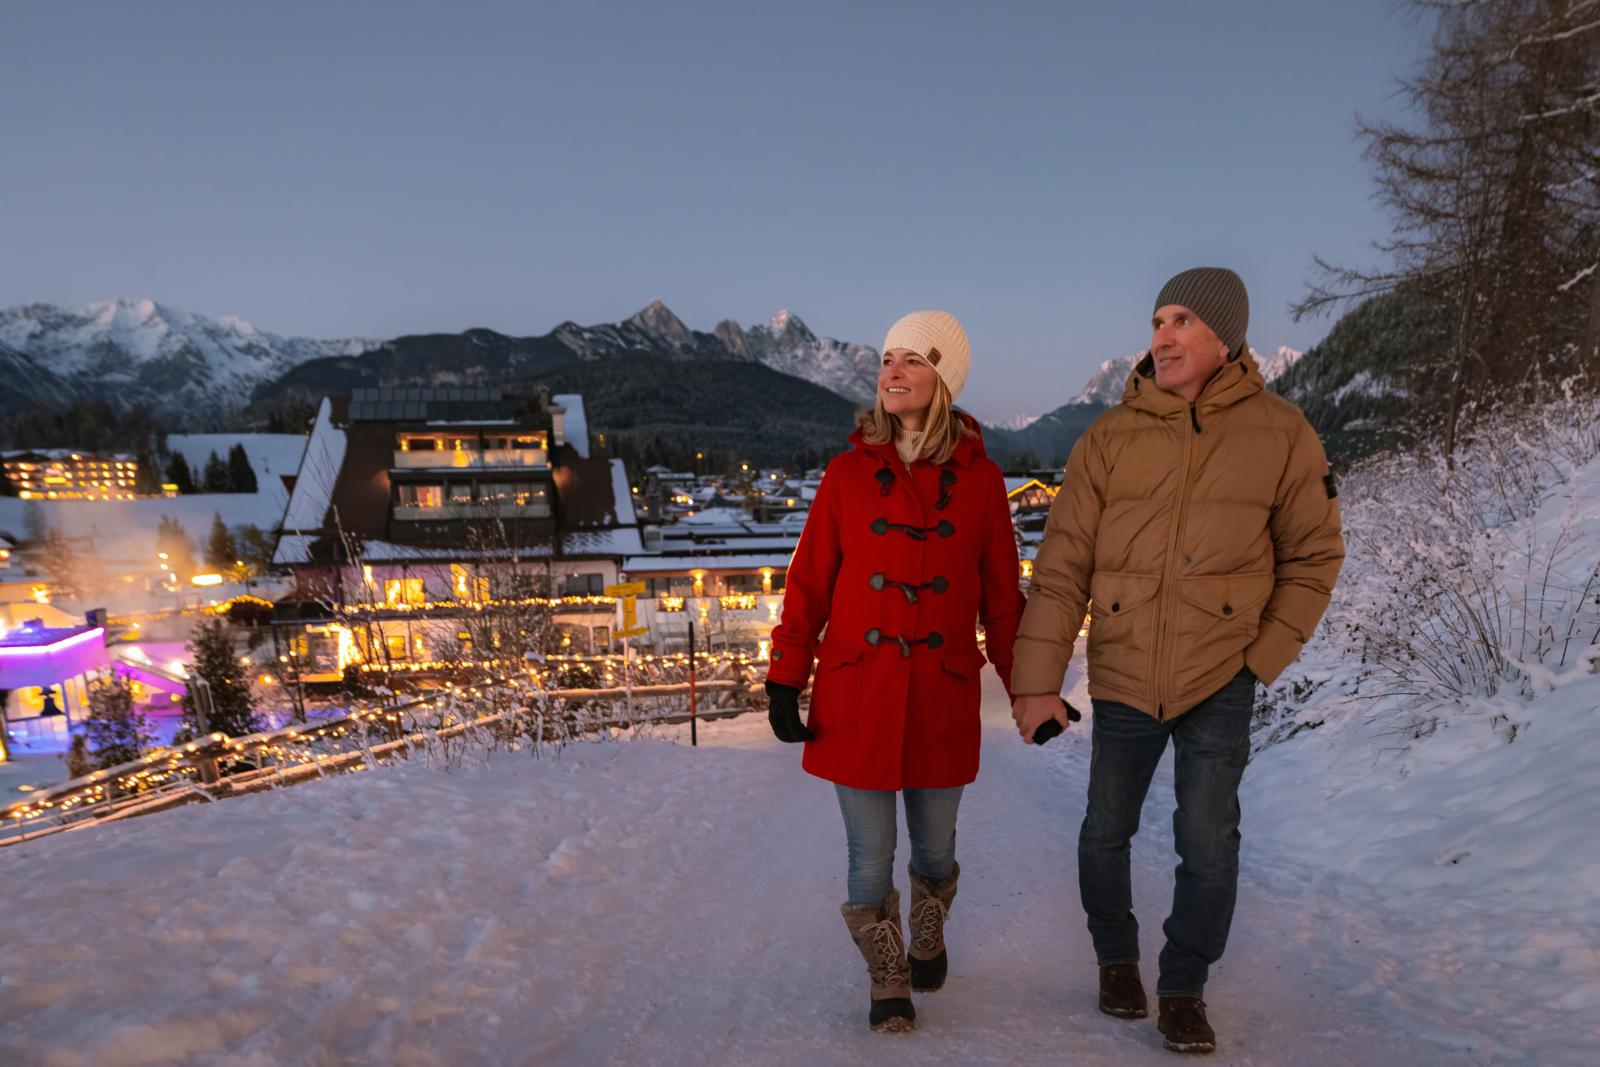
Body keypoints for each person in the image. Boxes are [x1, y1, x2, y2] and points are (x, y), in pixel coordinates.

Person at [1009, 268, 1344, 1055]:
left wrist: (1260, 658)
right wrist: (1035, 683)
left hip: (1221, 673)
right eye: (1157, 319)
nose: (1161, 335)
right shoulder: (1107, 438)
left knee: (1209, 838)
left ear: (1223, 336)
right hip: (1125, 668)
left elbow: (1315, 554)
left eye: (1182, 320)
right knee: (1105, 830)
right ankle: (1116, 959)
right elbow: (1061, 571)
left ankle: (1185, 982)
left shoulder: (1282, 431)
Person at [764, 310, 1025, 1033]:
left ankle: (930, 926)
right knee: (868, 853)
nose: (892, 370)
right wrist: (786, 673)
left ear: (944, 376)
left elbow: (1004, 601)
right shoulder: (847, 475)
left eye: (912, 358)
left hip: (940, 690)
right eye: (886, 359)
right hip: (856, 692)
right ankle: (888, 976)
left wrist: (1029, 689)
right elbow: (809, 582)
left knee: (935, 849)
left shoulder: (982, 481)